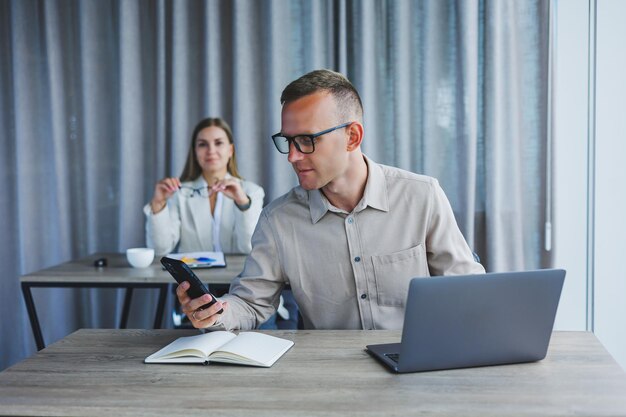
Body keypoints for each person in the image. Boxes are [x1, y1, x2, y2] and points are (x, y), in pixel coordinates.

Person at [177, 69, 485, 331]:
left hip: (417, 367)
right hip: (328, 379)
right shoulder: (279, 220)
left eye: (307, 140)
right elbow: (249, 302)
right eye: (288, 141)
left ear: (352, 137)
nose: (293, 156)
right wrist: (215, 313)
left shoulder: (422, 196)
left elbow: (468, 291)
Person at [144, 117, 264, 255]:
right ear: (195, 152)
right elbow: (160, 249)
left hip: (238, 275)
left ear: (231, 150)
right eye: (202, 144)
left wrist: (242, 203)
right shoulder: (179, 193)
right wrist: (158, 204)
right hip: (191, 276)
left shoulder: (252, 192)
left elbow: (250, 247)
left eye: (218, 143)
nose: (211, 150)